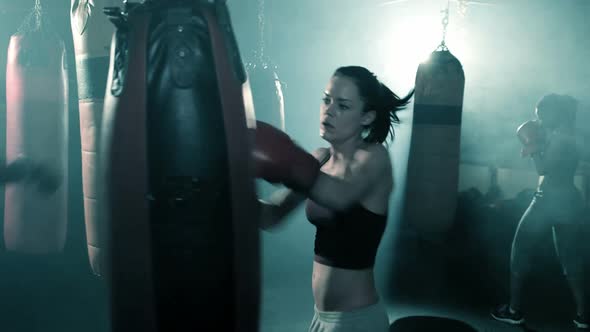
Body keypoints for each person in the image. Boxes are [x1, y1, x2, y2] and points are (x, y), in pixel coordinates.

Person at [253, 65, 414, 332]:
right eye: (326, 100)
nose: (329, 110)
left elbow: (339, 196)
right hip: (320, 318)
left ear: (367, 117)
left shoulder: (374, 158)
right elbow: (273, 215)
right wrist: (228, 189)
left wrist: (286, 159)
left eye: (343, 105)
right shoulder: (318, 159)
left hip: (357, 320)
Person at [491, 93, 588, 330]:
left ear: (555, 113)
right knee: (571, 261)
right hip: (571, 202)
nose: (540, 119)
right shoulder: (571, 135)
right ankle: (584, 315)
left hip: (547, 201)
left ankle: (513, 311)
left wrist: (532, 148)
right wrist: (539, 144)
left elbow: (544, 169)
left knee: (520, 250)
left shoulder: (560, 138)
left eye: (542, 114)